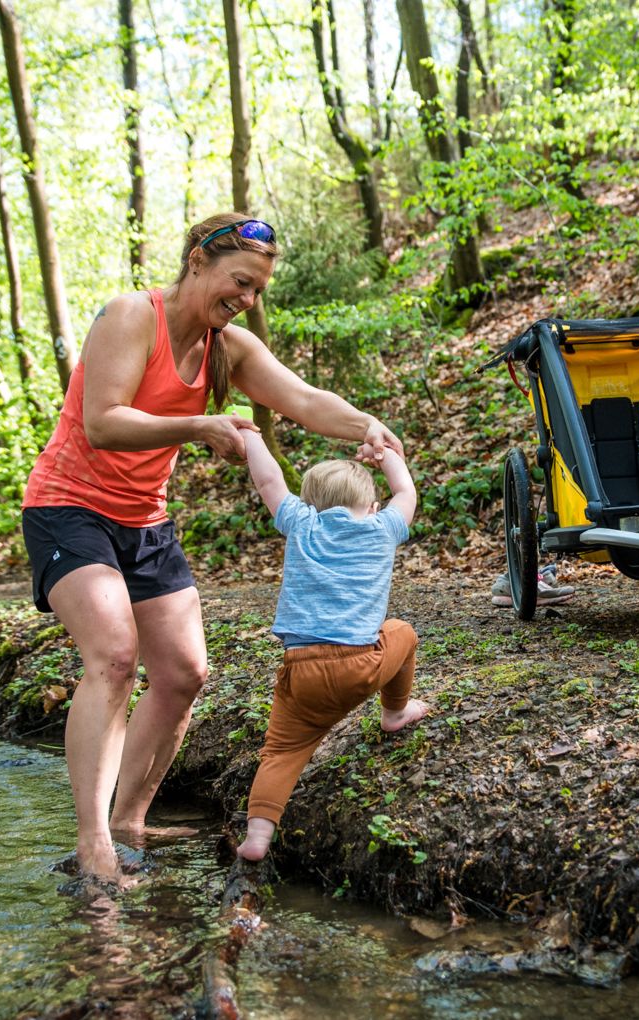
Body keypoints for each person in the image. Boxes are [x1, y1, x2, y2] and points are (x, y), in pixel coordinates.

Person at [21, 212, 403, 884]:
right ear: (198, 260)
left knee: (183, 673)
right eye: (240, 282)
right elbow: (104, 423)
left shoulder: (230, 347)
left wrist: (371, 428)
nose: (247, 299)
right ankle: (92, 845)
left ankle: (129, 821)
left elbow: (305, 400)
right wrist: (200, 425)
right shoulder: (129, 317)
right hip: (69, 507)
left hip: (145, 519)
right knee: (113, 656)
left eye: (257, 290)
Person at [235, 433, 428, 862]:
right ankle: (394, 712)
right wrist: (386, 455)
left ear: (309, 504)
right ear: (373, 508)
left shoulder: (302, 523)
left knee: (282, 753)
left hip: (299, 668)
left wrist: (252, 439)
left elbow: (268, 482)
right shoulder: (382, 528)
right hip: (361, 664)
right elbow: (406, 491)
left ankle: (258, 836)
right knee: (404, 632)